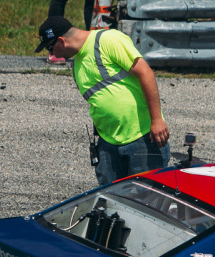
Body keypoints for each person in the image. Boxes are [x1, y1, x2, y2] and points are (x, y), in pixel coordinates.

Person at [35, 15, 170, 184]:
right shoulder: (76, 66)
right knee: (111, 204)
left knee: (145, 200)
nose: (51, 54)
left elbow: (146, 73)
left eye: (49, 48)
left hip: (142, 138)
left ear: (61, 41)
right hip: (108, 145)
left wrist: (157, 120)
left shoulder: (108, 40)